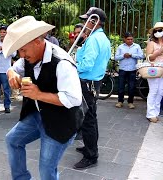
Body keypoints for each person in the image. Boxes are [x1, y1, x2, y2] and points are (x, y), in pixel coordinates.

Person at [3, 16, 82, 180]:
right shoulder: (29, 57)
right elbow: (13, 69)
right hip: (38, 115)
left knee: (46, 171)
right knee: (12, 140)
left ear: (37, 42)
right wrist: (11, 74)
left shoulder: (62, 62)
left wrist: (38, 94)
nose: (21, 55)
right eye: (19, 51)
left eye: (23, 50)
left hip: (61, 121)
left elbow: (74, 99)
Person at [74, 7, 111, 170]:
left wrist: (72, 66)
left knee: (88, 120)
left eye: (86, 20)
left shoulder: (94, 39)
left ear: (94, 21)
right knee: (91, 118)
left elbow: (86, 65)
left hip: (87, 82)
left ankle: (91, 155)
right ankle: (89, 147)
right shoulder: (102, 38)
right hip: (93, 83)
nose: (84, 23)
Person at [115, 32, 144, 109]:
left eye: (131, 39)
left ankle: (130, 102)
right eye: (128, 39)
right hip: (123, 69)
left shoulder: (136, 46)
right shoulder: (120, 47)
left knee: (131, 87)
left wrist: (132, 55)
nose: (130, 40)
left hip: (132, 69)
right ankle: (120, 101)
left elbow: (141, 56)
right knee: (121, 86)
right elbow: (116, 57)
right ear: (124, 39)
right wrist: (123, 56)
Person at [145, 22, 163, 123]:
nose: (158, 32)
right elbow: (148, 57)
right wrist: (157, 53)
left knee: (161, 91)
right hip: (154, 69)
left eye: (160, 30)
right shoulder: (152, 43)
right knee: (154, 90)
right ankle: (150, 113)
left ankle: (155, 112)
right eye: (156, 31)